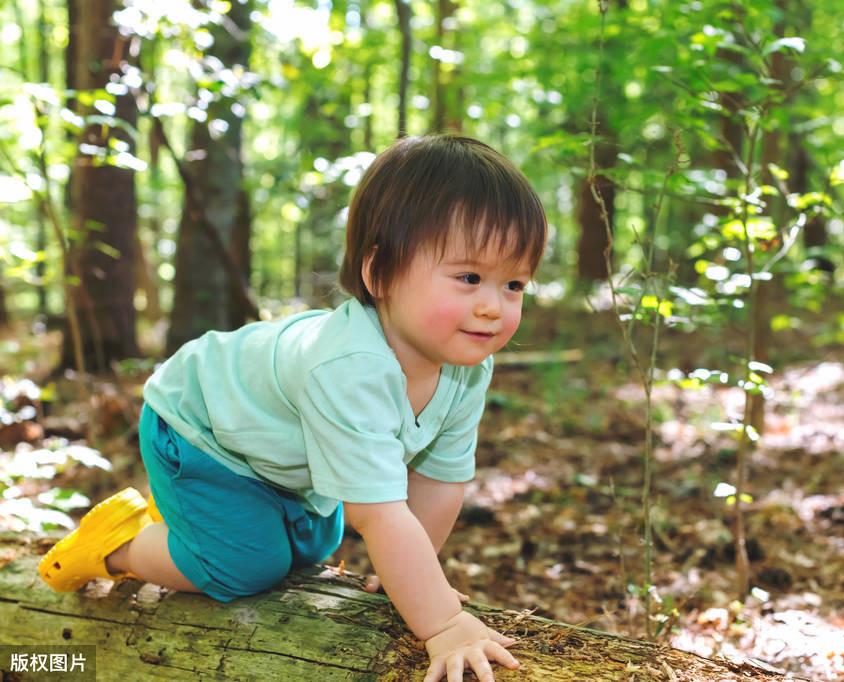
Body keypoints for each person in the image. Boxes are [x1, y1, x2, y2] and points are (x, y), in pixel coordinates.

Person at [38, 133, 548, 682]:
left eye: (514, 284)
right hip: (198, 427)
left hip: (276, 452)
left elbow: (440, 480)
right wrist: (443, 623)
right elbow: (378, 513)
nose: (493, 307)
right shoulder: (349, 366)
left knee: (315, 546)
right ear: (379, 274)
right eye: (469, 277)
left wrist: (409, 575)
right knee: (245, 567)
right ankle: (119, 544)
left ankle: (198, 518)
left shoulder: (468, 366)